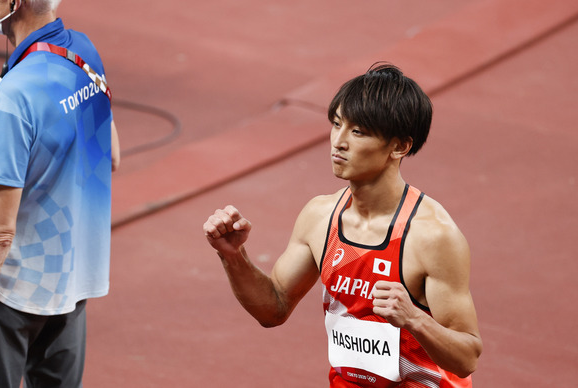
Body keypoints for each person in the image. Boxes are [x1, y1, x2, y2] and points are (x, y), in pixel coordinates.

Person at [204, 63, 482, 387]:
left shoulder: (432, 237)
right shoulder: (320, 217)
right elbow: (273, 309)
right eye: (337, 124)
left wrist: (414, 318)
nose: (338, 141)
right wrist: (232, 256)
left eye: (358, 131)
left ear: (399, 146)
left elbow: (466, 357)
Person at [0, 0, 118, 387]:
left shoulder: (14, 95)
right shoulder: (84, 53)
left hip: (8, 290)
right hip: (69, 283)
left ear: (12, 2)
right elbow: (108, 155)